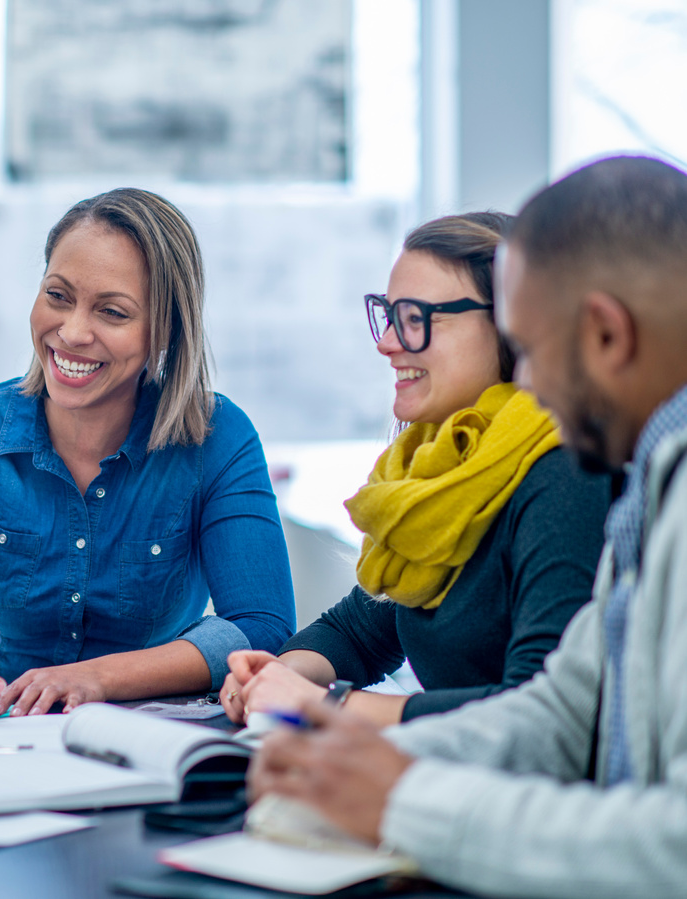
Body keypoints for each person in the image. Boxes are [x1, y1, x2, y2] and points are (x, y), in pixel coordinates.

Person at [248, 156, 687, 899]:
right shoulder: (652, 485)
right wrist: (346, 757)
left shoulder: (604, 478)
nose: (530, 385)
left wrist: (400, 796)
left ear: (608, 335)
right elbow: (557, 710)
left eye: (534, 350)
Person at [0, 187, 296, 721]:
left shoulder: (217, 437)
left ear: (166, 330)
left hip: (156, 745)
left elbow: (261, 626)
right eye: (58, 296)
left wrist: (96, 678)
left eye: (112, 311)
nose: (73, 331)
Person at [220, 214, 609, 727]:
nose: (387, 344)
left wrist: (328, 705)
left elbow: (540, 711)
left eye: (418, 318)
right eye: (388, 315)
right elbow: (360, 630)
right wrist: (280, 674)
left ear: (515, 324)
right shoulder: (440, 464)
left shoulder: (566, 473)